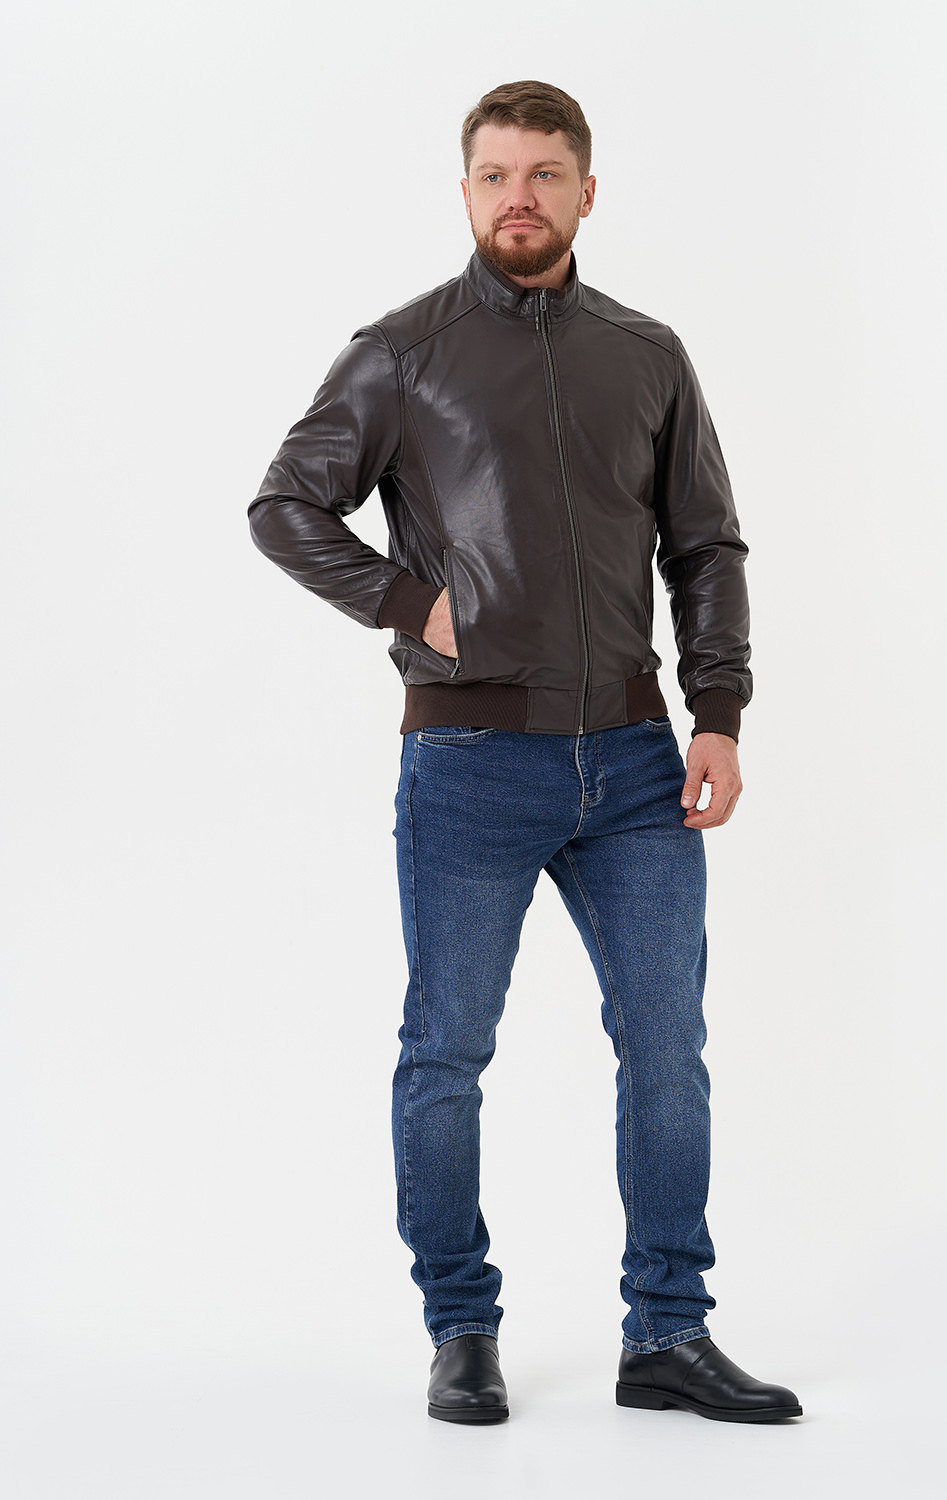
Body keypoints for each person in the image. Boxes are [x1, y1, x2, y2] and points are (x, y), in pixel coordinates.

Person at [248, 79, 802, 1427]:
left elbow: (705, 547)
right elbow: (285, 504)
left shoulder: (648, 355)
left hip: (636, 764)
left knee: (668, 1049)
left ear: (586, 192)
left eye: (544, 174)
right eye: (495, 174)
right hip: (471, 763)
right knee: (446, 1054)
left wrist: (717, 711)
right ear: (464, 193)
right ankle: (460, 1328)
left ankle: (668, 1332)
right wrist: (405, 600)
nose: (519, 198)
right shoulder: (401, 353)